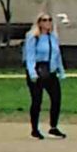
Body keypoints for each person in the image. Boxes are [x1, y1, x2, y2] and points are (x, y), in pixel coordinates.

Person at [22, 11, 66, 139]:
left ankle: (53, 126)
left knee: (56, 99)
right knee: (37, 100)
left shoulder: (53, 37)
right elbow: (29, 56)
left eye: (49, 20)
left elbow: (57, 55)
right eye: (44, 20)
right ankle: (34, 129)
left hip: (50, 72)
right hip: (37, 70)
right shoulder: (33, 37)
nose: (47, 23)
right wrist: (32, 72)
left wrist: (61, 71)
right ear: (39, 23)